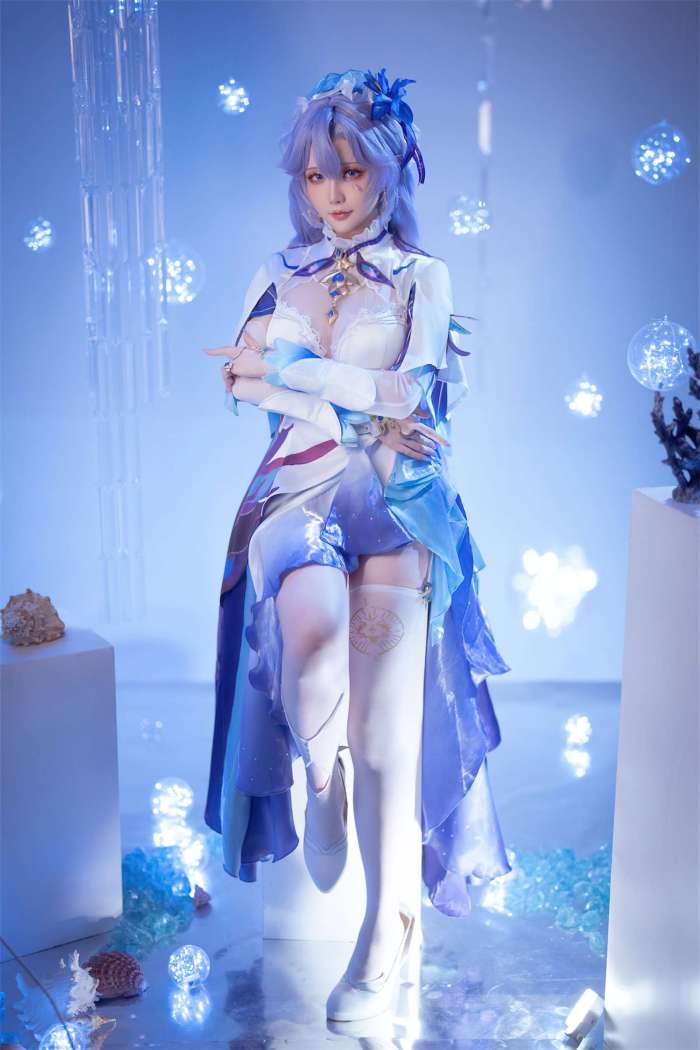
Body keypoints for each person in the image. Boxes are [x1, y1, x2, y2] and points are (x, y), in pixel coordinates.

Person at [202, 67, 512, 1023]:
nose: (333, 193)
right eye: (315, 174)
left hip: (400, 503)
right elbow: (239, 385)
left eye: (350, 171)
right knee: (308, 640)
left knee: (387, 734)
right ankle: (318, 774)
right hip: (296, 490)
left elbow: (411, 392)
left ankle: (386, 934)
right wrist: (344, 401)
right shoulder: (276, 270)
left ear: (389, 170)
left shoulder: (424, 276)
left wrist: (295, 369)